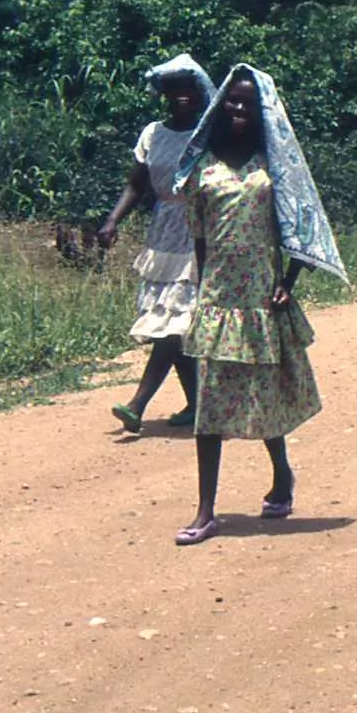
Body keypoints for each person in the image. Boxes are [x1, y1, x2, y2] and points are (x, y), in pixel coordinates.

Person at [169, 64, 346, 545]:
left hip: (262, 298)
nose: (239, 109)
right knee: (209, 407)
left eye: (248, 102)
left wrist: (289, 281)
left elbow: (301, 223)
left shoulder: (274, 166)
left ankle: (282, 473)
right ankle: (207, 511)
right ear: (220, 106)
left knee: (264, 398)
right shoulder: (201, 166)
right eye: (232, 101)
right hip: (219, 300)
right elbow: (201, 238)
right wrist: (202, 292)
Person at [99, 53, 214, 433]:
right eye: (174, 89)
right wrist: (113, 220)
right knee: (172, 317)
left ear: (199, 92)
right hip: (164, 229)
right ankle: (197, 403)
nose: (181, 95)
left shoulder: (209, 133)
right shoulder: (153, 133)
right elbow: (137, 183)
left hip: (200, 230)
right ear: (164, 93)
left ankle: (138, 403)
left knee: (176, 323)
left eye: (188, 88)